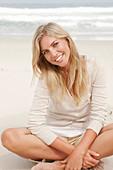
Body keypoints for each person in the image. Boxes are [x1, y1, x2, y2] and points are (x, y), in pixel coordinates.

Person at [1, 22, 113, 170]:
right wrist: (76, 152)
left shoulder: (94, 67)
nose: (53, 54)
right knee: (9, 137)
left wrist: (81, 149)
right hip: (54, 138)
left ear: (67, 40)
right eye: (45, 52)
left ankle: (58, 165)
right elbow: (35, 123)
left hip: (87, 137)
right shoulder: (47, 76)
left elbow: (98, 116)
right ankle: (80, 160)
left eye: (55, 44)